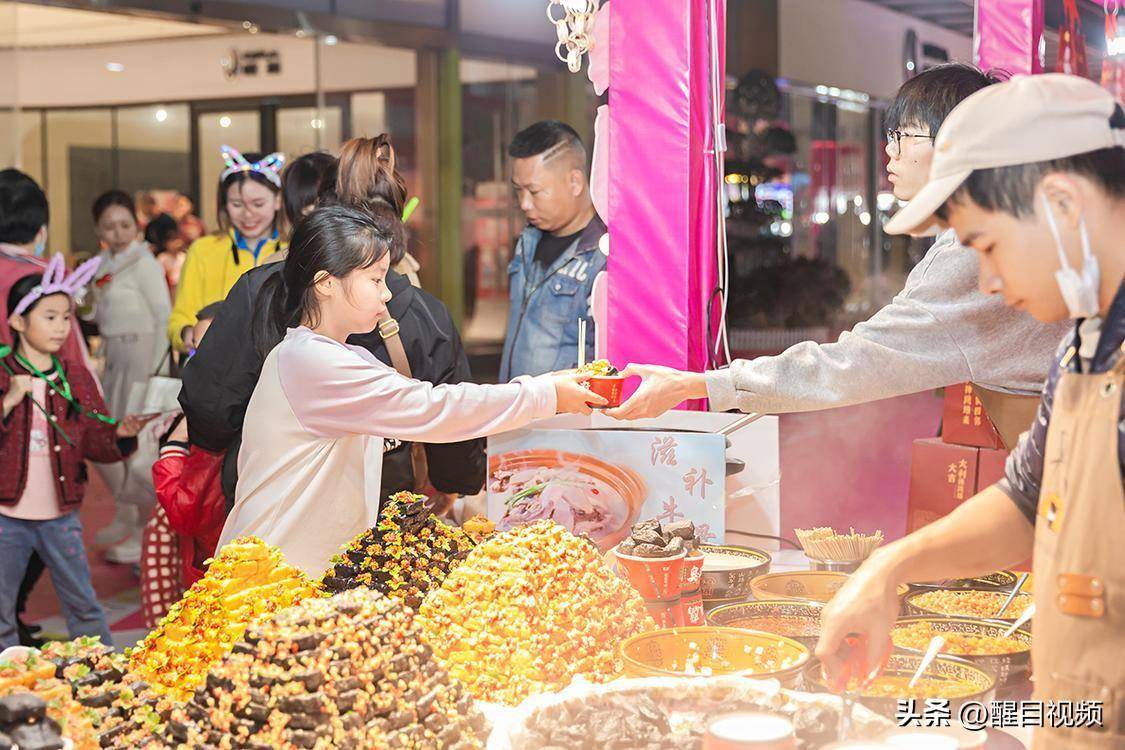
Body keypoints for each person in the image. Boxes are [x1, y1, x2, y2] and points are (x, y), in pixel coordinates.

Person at [817, 74, 1125, 749]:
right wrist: (887, 569)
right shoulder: (1087, 343)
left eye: (986, 245)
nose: (987, 281)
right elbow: (1025, 498)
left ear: (1063, 204)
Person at [606, 64, 1069, 452]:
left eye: (904, 135)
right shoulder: (1006, 226)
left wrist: (698, 385)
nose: (889, 149)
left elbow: (853, 364)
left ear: (956, 143)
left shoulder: (970, 253)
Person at [217, 203, 602, 574]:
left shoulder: (337, 355)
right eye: (375, 279)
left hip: (294, 569)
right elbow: (434, 408)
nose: (386, 294)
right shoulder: (310, 363)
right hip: (265, 576)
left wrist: (547, 390)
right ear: (326, 284)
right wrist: (546, 394)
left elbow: (430, 405)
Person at [180, 139, 488, 511]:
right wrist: (453, 482)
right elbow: (454, 434)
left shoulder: (263, 290)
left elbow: (208, 406)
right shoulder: (426, 314)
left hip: (272, 508)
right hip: (382, 518)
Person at [0, 262, 150, 649]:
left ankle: (101, 667)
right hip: (7, 516)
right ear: (17, 322)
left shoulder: (76, 377)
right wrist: (9, 400)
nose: (60, 327)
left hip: (60, 515)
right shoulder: (3, 373)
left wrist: (119, 434)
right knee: (1, 607)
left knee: (82, 603)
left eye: (66, 317)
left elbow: (92, 439)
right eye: (49, 317)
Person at [88, 190, 173, 563]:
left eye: (125, 224)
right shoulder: (103, 262)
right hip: (113, 354)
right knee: (112, 437)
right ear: (98, 229)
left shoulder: (144, 263)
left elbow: (162, 316)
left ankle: (144, 530)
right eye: (109, 226)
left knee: (135, 440)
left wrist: (155, 372)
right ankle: (127, 516)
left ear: (136, 226)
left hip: (142, 354)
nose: (118, 232)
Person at [500, 120, 607, 381]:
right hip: (514, 408)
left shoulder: (602, 257)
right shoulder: (527, 242)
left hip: (564, 418)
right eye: (519, 191)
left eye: (535, 192)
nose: (524, 204)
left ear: (575, 182)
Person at [168, 147, 284, 353]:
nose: (248, 214)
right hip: (218, 372)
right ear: (224, 205)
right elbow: (179, 319)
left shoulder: (291, 250)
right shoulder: (202, 250)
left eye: (258, 204)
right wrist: (189, 334)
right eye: (237, 204)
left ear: (278, 200)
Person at [145, 213, 187, 294]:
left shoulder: (183, 257)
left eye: (176, 240)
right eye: (171, 241)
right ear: (165, 244)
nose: (175, 244)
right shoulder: (162, 258)